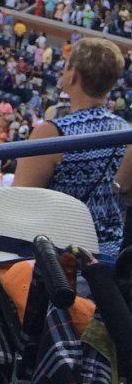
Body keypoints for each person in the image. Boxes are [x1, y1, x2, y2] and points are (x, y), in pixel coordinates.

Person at [14, 37, 132, 262]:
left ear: (73, 75)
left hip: (62, 261)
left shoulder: (51, 133)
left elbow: (19, 204)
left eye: (66, 65)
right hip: (111, 259)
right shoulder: (125, 130)